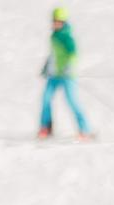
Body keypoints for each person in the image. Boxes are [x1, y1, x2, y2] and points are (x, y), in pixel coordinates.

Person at [39, 7, 92, 140]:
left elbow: (73, 55)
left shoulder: (67, 37)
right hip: (54, 75)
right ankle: (46, 127)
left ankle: (85, 130)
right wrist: (46, 67)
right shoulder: (53, 36)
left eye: (59, 21)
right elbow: (53, 55)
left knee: (72, 101)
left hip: (67, 75)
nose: (56, 23)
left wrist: (68, 68)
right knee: (46, 99)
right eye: (54, 21)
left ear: (64, 22)